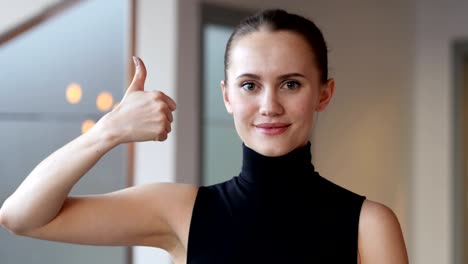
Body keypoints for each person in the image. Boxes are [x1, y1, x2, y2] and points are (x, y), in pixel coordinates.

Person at [0, 8, 408, 264]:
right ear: (227, 96)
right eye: (250, 85)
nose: (269, 105)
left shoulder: (368, 224)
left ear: (324, 93)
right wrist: (108, 132)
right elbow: (21, 217)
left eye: (290, 84)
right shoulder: (180, 211)